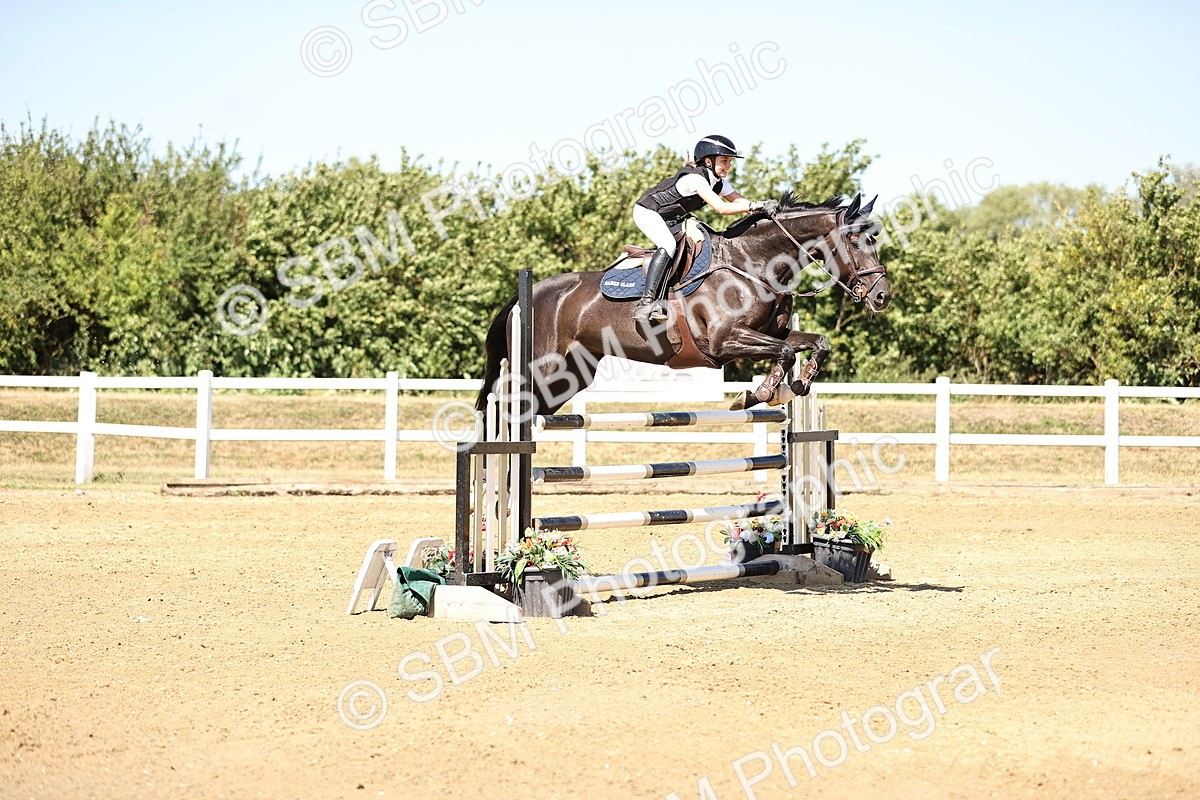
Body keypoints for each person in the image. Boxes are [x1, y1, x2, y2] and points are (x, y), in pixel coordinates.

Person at [631, 134, 779, 322]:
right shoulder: (696, 179)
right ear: (708, 161)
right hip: (647, 212)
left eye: (730, 161)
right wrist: (755, 206)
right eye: (724, 161)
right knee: (668, 245)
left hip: (671, 218)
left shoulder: (718, 182)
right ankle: (646, 304)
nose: (728, 166)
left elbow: (740, 201)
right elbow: (721, 208)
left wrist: (763, 207)